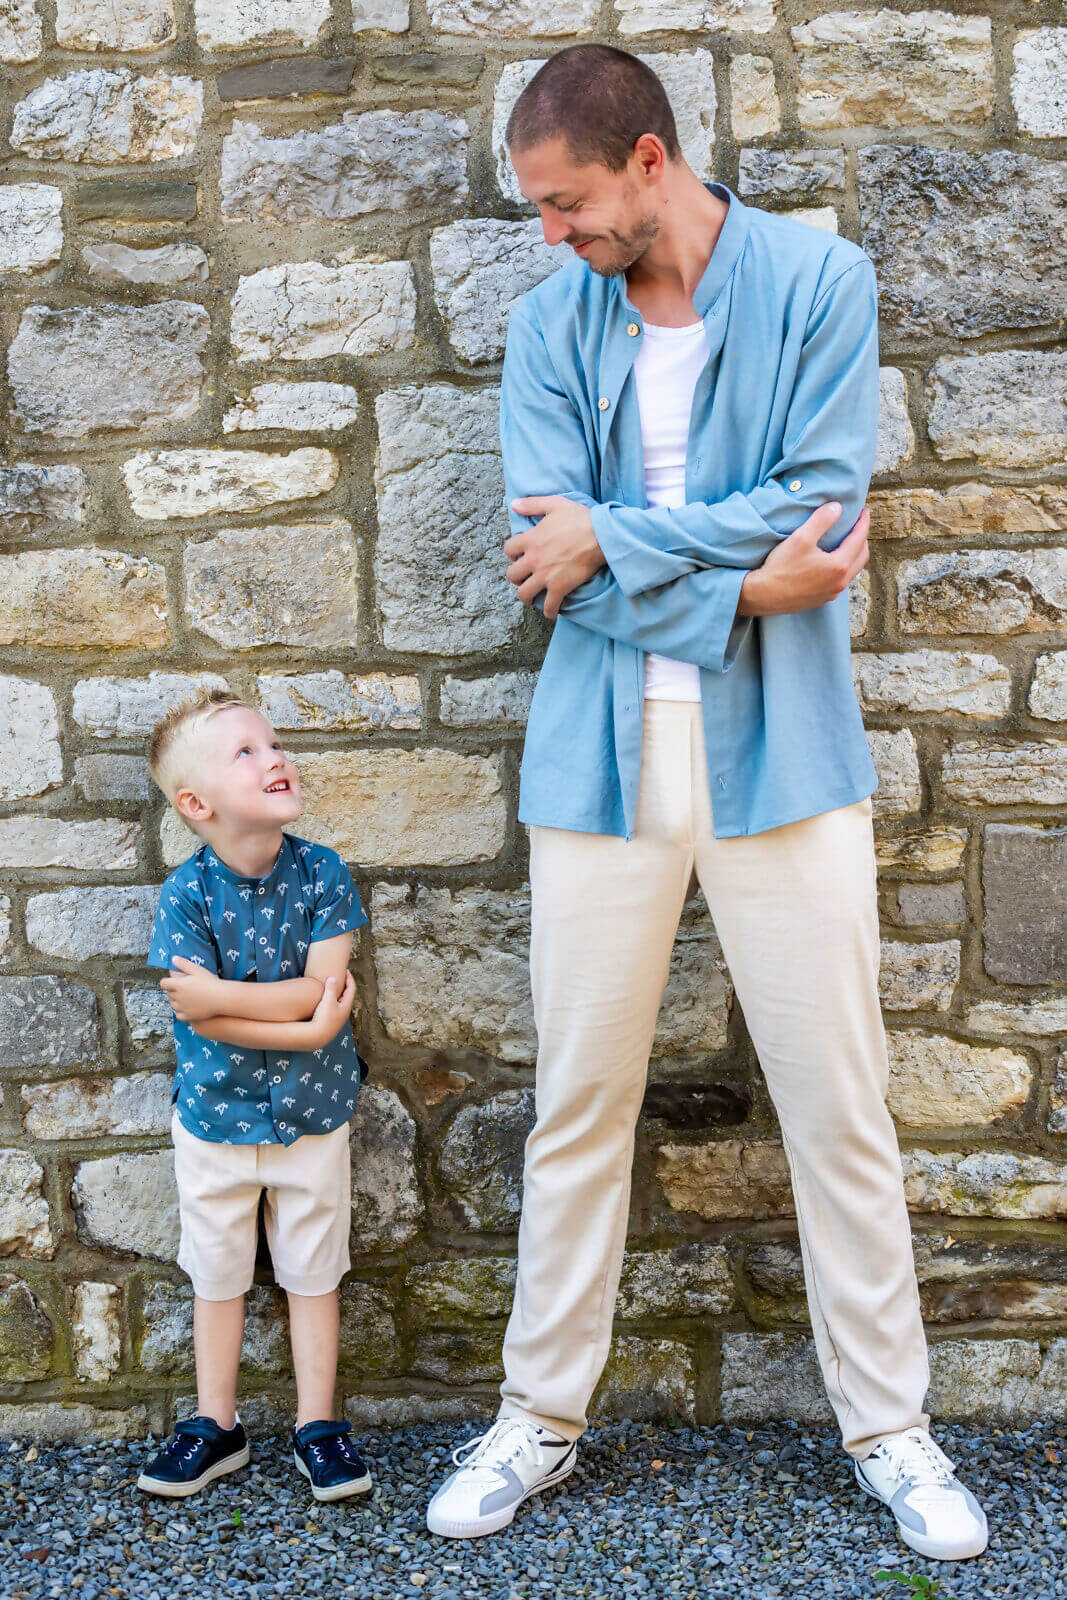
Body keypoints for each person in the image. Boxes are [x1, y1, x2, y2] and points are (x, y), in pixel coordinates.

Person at [426, 44, 988, 1562]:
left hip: (781, 759)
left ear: (649, 160)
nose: (552, 235)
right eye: (537, 212)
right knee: (575, 1108)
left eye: (565, 203)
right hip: (597, 766)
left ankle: (890, 1428)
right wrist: (738, 586)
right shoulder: (549, 326)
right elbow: (551, 564)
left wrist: (617, 541)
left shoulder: (815, 283)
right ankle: (538, 1416)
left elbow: (819, 498)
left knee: (839, 1105)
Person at [136, 688, 373, 1504]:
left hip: (314, 1116)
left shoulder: (323, 874)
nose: (275, 758)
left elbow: (318, 990)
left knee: (314, 1271)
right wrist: (301, 1022)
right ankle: (217, 1424)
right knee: (217, 1273)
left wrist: (244, 1005)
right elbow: (202, 1021)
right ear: (195, 804)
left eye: (272, 744)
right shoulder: (186, 895)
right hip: (215, 1120)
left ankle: (319, 1426)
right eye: (246, 752)